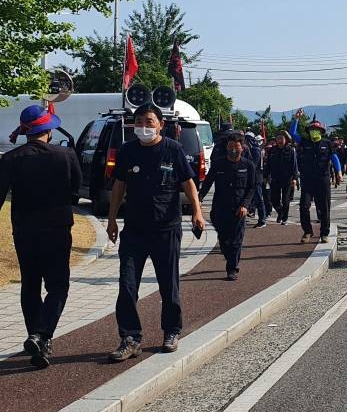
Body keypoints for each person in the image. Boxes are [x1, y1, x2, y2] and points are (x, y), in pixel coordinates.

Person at [106, 104, 205, 360]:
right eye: (139, 121)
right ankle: (130, 338)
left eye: (149, 121)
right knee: (127, 285)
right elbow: (119, 185)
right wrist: (112, 219)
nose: (144, 126)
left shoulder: (173, 149)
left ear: (161, 124)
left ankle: (171, 331)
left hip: (166, 228)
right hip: (134, 229)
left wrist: (197, 212)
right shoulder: (128, 150)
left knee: (168, 284)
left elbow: (188, 182)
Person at [0, 105, 82, 368]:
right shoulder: (66, 155)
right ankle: (41, 334)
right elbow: (76, 190)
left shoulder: (11, 158)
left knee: (30, 284)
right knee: (58, 286)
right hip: (57, 228)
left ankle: (38, 343)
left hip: (24, 229)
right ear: (49, 129)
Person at [199, 131, 258, 281]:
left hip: (239, 209)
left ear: (242, 148)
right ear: (226, 147)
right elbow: (207, 182)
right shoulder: (219, 163)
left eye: (236, 147)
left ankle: (232, 269)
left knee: (236, 241)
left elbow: (252, 187)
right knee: (224, 240)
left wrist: (245, 205)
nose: (233, 149)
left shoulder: (248, 165)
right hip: (220, 208)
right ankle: (228, 254)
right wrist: (198, 198)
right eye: (230, 146)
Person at [293, 120, 340, 244]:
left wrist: (339, 171)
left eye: (317, 130)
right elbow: (292, 133)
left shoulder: (327, 144)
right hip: (307, 180)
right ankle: (307, 231)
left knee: (324, 207)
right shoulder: (304, 142)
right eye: (312, 130)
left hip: (323, 179)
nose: (314, 132)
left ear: (321, 131)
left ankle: (324, 233)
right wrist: (296, 119)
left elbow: (334, 157)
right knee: (304, 206)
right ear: (309, 132)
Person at [265, 130, 298, 225]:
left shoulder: (291, 150)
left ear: (286, 139)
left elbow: (294, 165)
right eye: (278, 138)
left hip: (287, 178)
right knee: (273, 199)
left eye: (281, 138)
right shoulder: (272, 150)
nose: (279, 140)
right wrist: (266, 176)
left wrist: (295, 178)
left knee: (285, 199)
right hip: (275, 178)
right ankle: (280, 212)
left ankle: (285, 218)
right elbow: (268, 165)